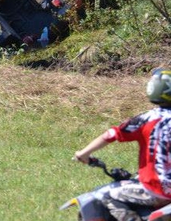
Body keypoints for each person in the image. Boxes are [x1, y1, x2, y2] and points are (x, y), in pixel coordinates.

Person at [73, 68, 171, 220]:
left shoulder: (148, 119)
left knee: (103, 195)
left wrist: (83, 153)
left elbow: (111, 134)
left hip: (155, 188)